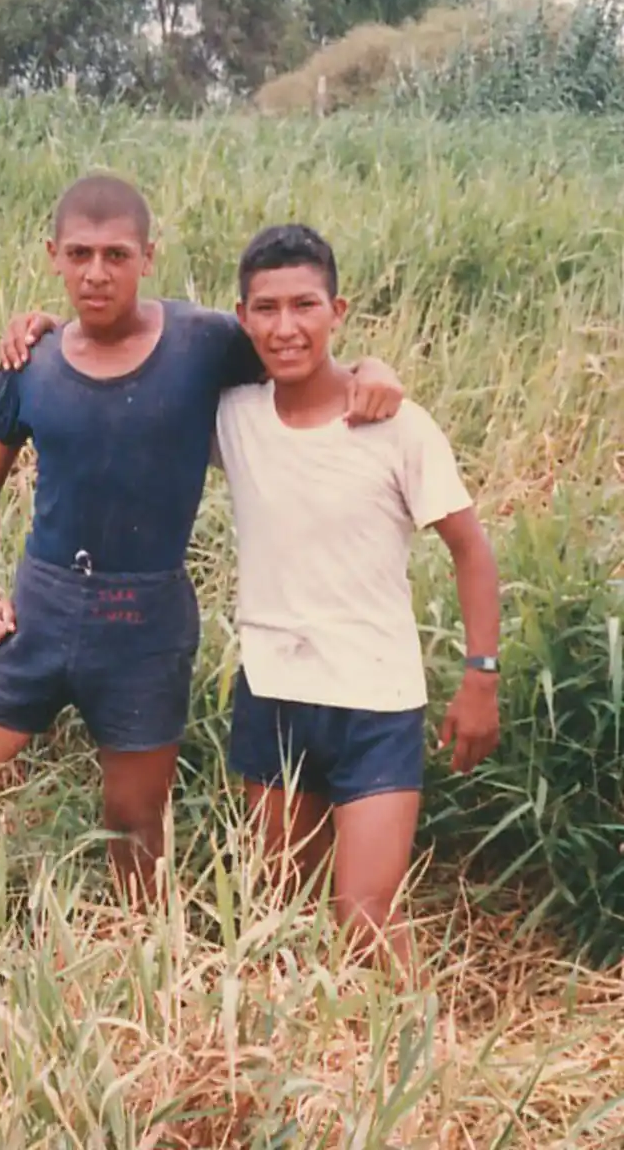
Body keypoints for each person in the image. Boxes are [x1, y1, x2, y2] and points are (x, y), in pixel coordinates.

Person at [0, 175, 405, 919]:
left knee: (135, 830)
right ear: (52, 256)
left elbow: (297, 347)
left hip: (145, 628)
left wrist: (374, 368)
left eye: (115, 254)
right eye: (79, 254)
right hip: (35, 618)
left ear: (149, 255)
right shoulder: (31, 364)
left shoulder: (201, 344)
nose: (96, 273)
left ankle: (139, 980)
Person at [211, 223, 500, 972]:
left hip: (374, 701)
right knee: (275, 906)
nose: (285, 327)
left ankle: (426, 1065)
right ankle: (298, 1069)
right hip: (273, 691)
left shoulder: (395, 424)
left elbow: (470, 550)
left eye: (304, 305)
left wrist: (480, 676)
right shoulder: (232, 414)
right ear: (242, 318)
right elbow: (138, 348)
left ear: (337, 310)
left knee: (364, 913)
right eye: (265, 309)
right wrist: (42, 328)